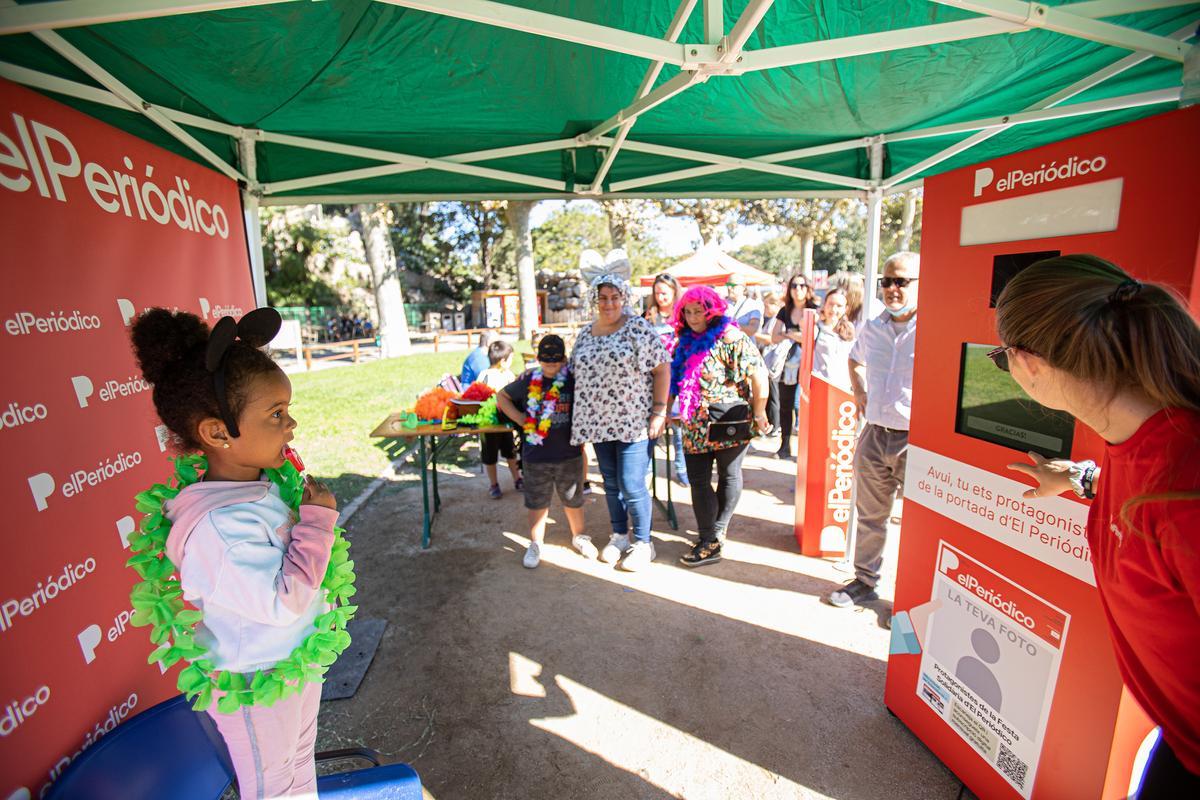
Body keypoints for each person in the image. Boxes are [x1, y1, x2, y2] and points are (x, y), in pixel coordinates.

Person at [993, 254, 1200, 796]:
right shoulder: (1145, 435)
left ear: (1027, 362)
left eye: (1000, 359)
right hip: (1179, 742)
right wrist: (1083, 479)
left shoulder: (1186, 485)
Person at [129, 308, 338, 799]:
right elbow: (281, 601)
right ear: (218, 433)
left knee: (299, 762)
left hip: (291, 662)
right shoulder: (216, 528)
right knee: (273, 786)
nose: (291, 424)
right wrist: (318, 523)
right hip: (255, 682)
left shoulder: (256, 488)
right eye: (275, 414)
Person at [825, 252, 919, 608]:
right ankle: (865, 581)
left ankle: (912, 596)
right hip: (875, 435)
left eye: (902, 281)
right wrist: (860, 391)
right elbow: (854, 359)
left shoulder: (935, 328)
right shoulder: (873, 327)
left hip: (918, 442)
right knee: (870, 517)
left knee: (919, 527)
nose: (893, 288)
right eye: (887, 281)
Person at [571, 262, 670, 572]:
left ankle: (644, 543)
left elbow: (662, 368)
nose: (609, 303)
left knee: (632, 482)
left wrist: (659, 411)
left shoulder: (638, 327)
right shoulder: (586, 333)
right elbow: (573, 371)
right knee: (611, 483)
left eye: (615, 297)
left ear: (624, 298)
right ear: (594, 300)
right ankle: (619, 536)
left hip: (633, 421)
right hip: (599, 422)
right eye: (603, 298)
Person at [669, 286, 769, 567]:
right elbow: (675, 377)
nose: (692, 317)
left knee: (729, 475)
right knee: (698, 481)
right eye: (687, 312)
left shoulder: (730, 337)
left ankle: (713, 536)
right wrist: (666, 409)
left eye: (698, 311)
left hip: (729, 421)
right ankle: (709, 535)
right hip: (694, 425)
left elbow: (759, 373)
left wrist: (760, 412)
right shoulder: (683, 341)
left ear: (711, 310)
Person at [496, 335, 597, 568]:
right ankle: (536, 543)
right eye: (546, 360)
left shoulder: (572, 379)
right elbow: (502, 396)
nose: (551, 365)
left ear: (564, 359)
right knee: (537, 502)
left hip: (569, 454)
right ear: (539, 359)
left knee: (573, 499)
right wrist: (520, 418)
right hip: (536, 456)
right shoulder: (529, 379)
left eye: (556, 360)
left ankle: (579, 537)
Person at [644, 272, 689, 487]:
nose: (660, 296)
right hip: (653, 380)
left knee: (679, 427)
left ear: (674, 292)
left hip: (678, 378)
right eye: (657, 292)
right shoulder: (647, 316)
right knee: (652, 424)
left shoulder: (684, 315)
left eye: (664, 292)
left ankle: (682, 469)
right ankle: (647, 471)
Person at [771, 272, 820, 460]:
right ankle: (784, 446)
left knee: (805, 406)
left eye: (802, 285)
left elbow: (814, 337)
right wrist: (795, 334)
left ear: (808, 289)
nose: (798, 289)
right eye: (794, 286)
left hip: (811, 366)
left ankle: (807, 449)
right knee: (786, 405)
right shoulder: (784, 311)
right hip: (788, 366)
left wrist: (789, 333)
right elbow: (774, 337)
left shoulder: (814, 309)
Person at [477, 339, 522, 499]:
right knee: (490, 457)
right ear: (503, 361)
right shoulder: (484, 376)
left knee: (510, 453)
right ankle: (494, 484)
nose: (511, 363)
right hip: (489, 425)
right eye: (510, 359)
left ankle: (517, 478)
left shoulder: (509, 375)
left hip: (507, 423)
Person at [811, 288, 856, 392]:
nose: (834, 309)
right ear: (824, 305)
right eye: (830, 304)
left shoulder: (849, 329)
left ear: (846, 309)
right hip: (820, 388)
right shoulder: (817, 327)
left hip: (842, 389)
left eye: (839, 306)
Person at [754, 290, 786, 434]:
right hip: (764, 360)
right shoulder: (764, 318)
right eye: (764, 305)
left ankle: (775, 425)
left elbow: (770, 339)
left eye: (768, 305)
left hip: (773, 361)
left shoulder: (778, 320)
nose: (766, 309)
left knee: (773, 395)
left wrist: (753, 334)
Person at [725, 273, 764, 338]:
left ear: (743, 287)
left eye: (732, 285)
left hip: (743, 346)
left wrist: (729, 326)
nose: (729, 288)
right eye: (728, 285)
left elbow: (752, 329)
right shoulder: (722, 304)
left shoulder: (753, 305)